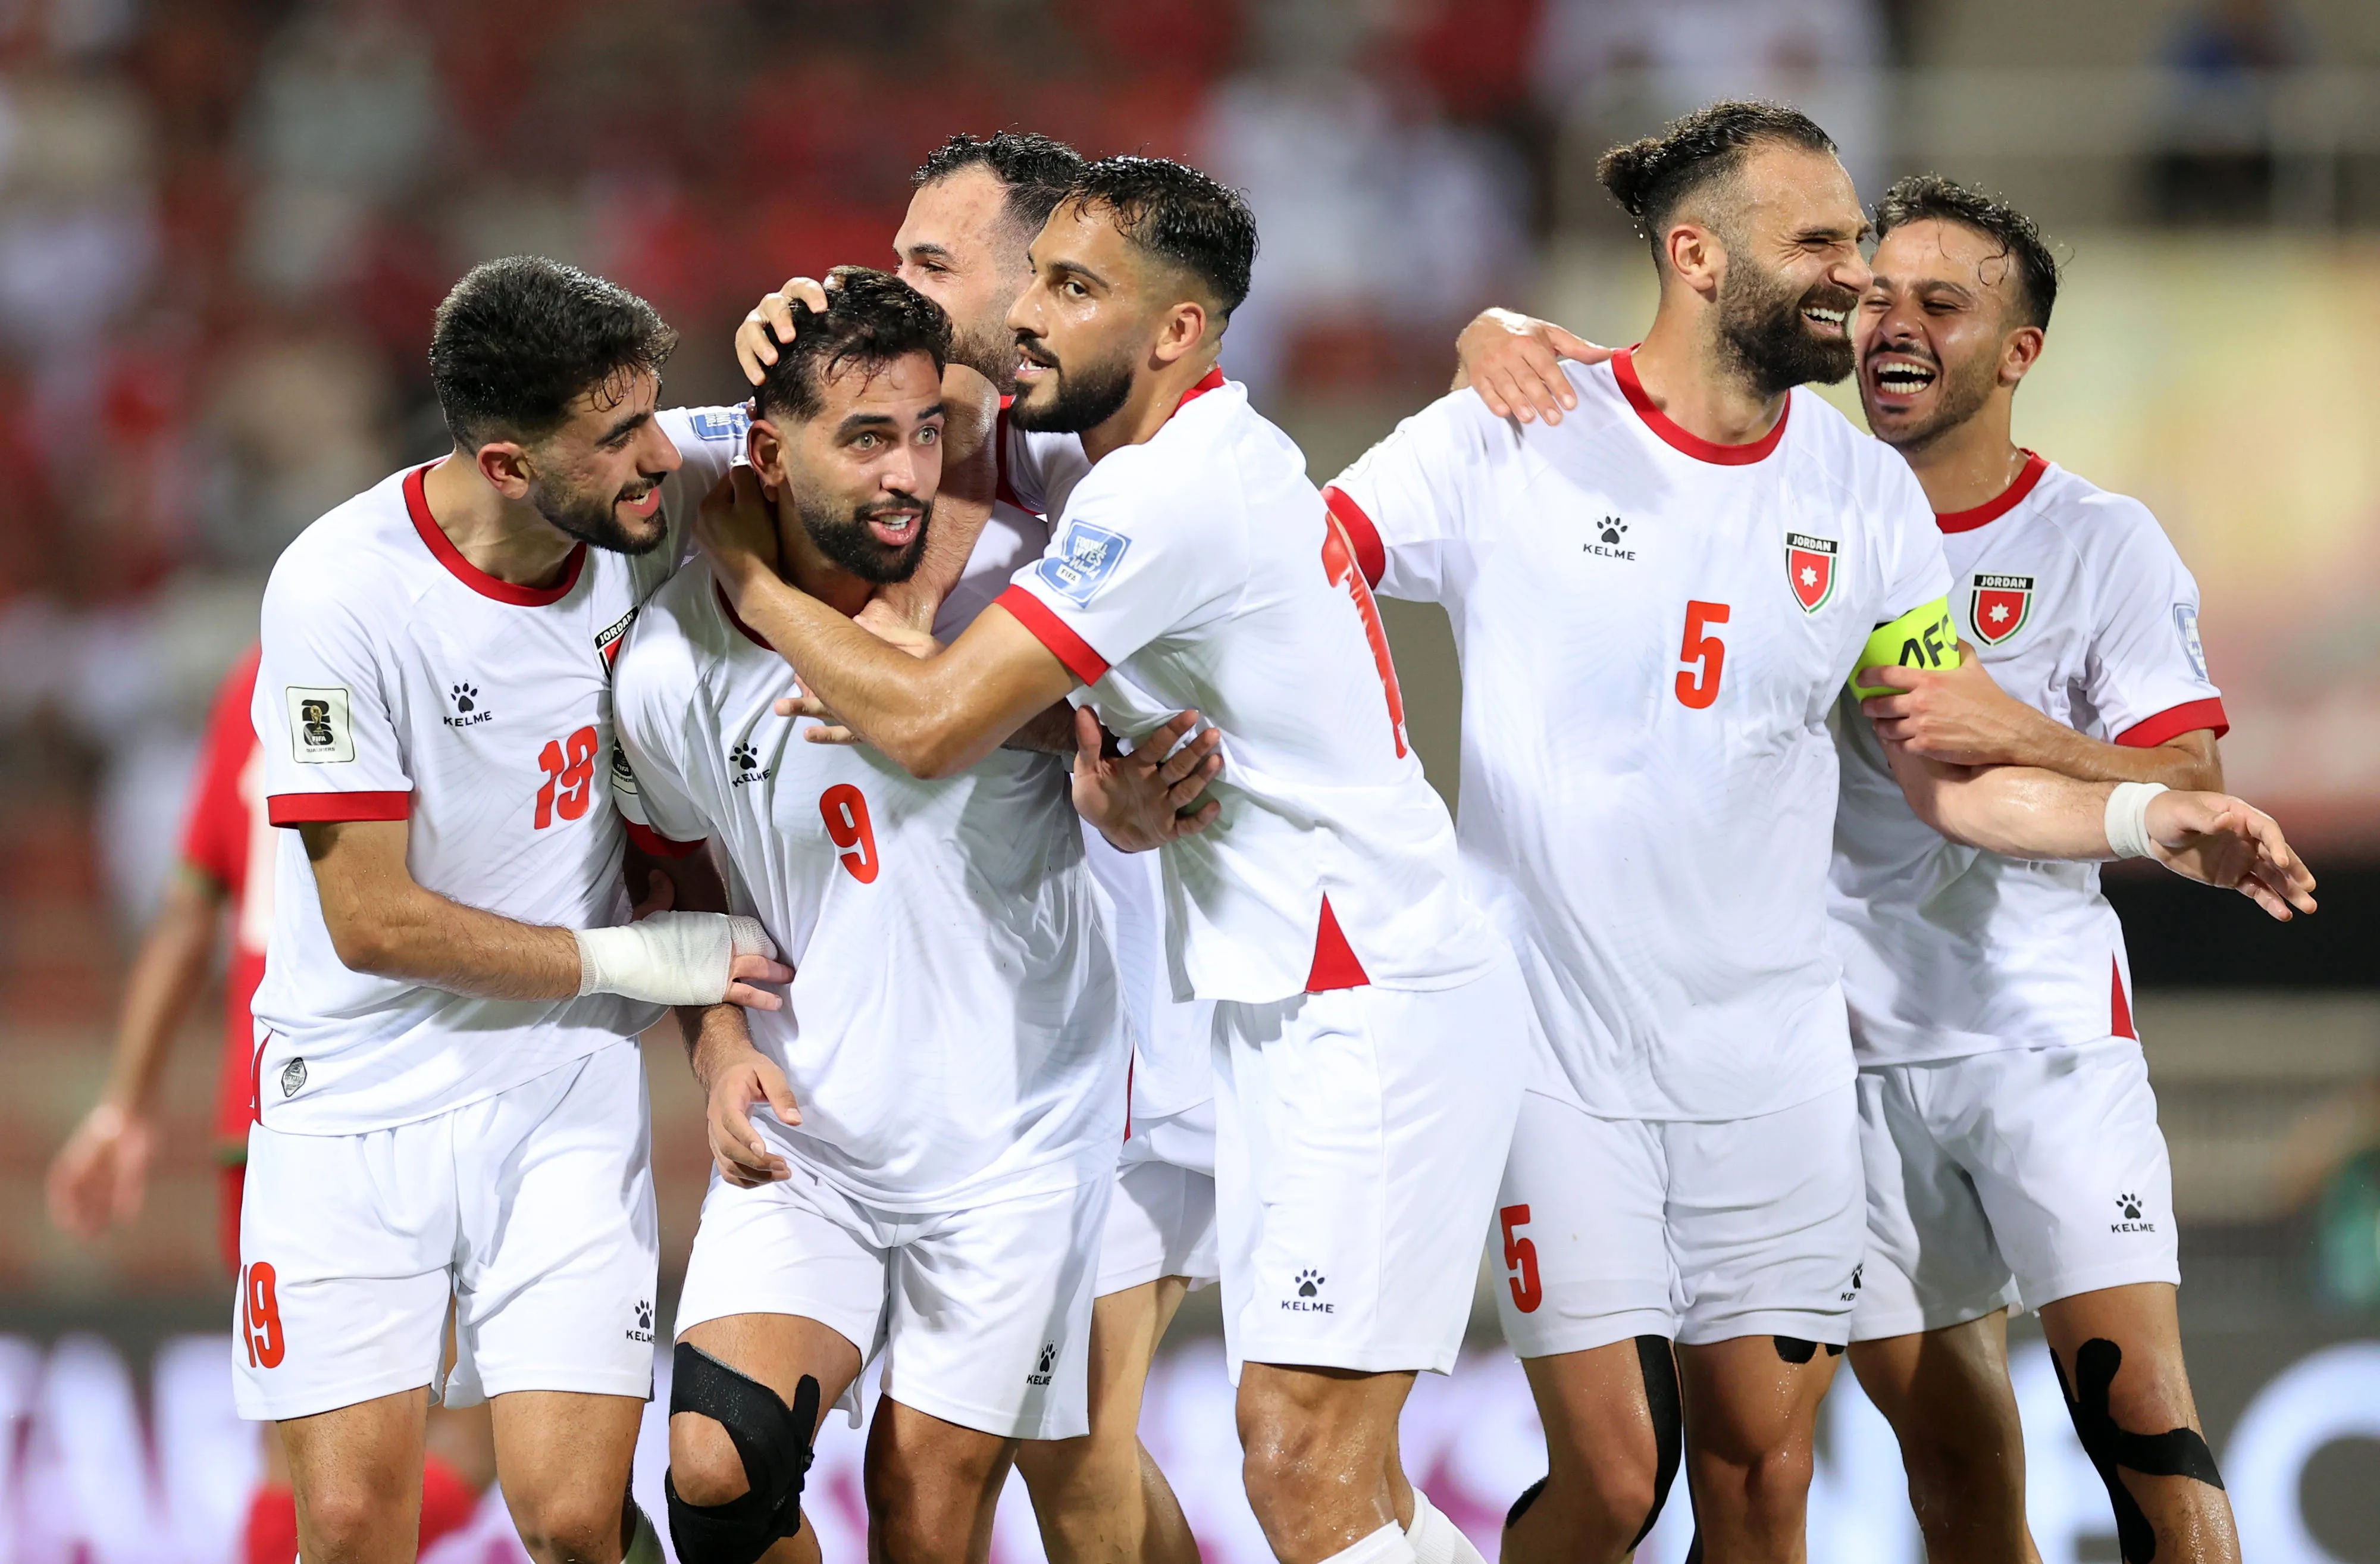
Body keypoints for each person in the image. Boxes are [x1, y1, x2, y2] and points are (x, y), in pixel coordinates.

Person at [1317, 101, 2313, 1564]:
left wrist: (2147, 814)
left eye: (1861, 238)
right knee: (1613, 1479)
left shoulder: (1858, 497)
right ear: (1695, 255)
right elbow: (1300, 574)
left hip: (1779, 1072)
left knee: (1763, 1483)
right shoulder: (1513, 427)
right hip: (1557, 1055)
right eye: (1823, 241)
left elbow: (1950, 773)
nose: (1854, 273)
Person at [701, 155, 1524, 1564]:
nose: (1030, 316)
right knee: (1310, 1473)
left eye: (1071, 291)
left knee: (1295, 1468)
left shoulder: (1163, 497)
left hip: (1362, 1000)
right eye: (1032, 282)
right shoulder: (1123, 461)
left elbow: (929, 723)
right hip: (1283, 997)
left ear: (1175, 332)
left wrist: (755, 582)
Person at [612, 265, 1208, 1564]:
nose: (904, 471)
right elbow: (672, 870)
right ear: (767, 455)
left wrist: (1124, 796)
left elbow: (1150, 758)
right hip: (812, 1137)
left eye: (926, 431)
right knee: (713, 1473)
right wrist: (718, 1047)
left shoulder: (1023, 588)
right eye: (866, 438)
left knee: (921, 1514)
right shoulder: (668, 666)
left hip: (1013, 1149)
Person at [241, 255, 790, 1564]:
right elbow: (373, 922)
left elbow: (862, 417)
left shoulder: (650, 483)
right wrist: (643, 961)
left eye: (655, 413)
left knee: (570, 1516)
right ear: (505, 466)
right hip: (352, 1093)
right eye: (617, 439)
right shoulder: (340, 596)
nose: (661, 456)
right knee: (358, 1528)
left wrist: (824, 316)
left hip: (556, 1084)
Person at [1831, 176, 2258, 1564]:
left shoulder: (2094, 540)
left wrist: (2007, 722)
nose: (1890, 323)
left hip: (2041, 1037)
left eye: (1937, 303)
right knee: (1950, 1484)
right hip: (1839, 1051)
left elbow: (2192, 787)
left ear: (2015, 354)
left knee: (2146, 1445)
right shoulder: (1795, 514)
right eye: (1876, 295)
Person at [46, 650, 494, 1562]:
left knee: (297, 1449)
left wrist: (123, 1107)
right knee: (483, 1434)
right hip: (400, 1098)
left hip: (254, 1123)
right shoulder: (448, 658)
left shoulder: (259, 674)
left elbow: (187, 909)